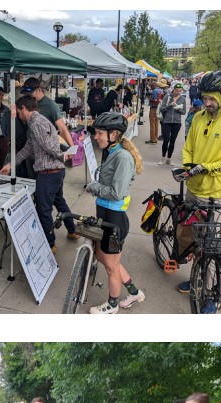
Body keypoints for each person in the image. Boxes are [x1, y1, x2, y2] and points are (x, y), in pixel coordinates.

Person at [81, 111, 147, 314]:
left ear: (114, 134)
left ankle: (111, 305)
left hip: (114, 219)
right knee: (104, 257)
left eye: (100, 133)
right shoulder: (111, 151)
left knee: (110, 266)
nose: (96, 136)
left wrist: (93, 186)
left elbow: (116, 193)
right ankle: (134, 291)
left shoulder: (123, 157)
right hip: (105, 214)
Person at [2, 94, 76, 251]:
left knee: (43, 210)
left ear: (23, 108)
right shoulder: (38, 121)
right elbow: (28, 148)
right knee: (59, 201)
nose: (18, 115)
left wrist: (62, 155)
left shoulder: (35, 123)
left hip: (48, 174)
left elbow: (48, 146)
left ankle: (50, 244)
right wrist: (10, 165)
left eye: (18, 111)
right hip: (55, 173)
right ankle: (72, 230)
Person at [176, 71, 221, 205]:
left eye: (212, 99)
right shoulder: (199, 117)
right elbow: (188, 147)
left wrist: (207, 167)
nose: (207, 103)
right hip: (192, 190)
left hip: (217, 195)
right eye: (205, 98)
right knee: (184, 226)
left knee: (211, 227)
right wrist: (186, 168)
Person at [158, 84, 189, 166]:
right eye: (177, 91)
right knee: (166, 140)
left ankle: (169, 159)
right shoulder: (167, 97)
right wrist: (170, 105)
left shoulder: (182, 99)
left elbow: (184, 112)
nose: (178, 93)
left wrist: (178, 108)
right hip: (166, 121)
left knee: (172, 141)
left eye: (180, 91)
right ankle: (163, 157)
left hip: (177, 122)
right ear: (173, 89)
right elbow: (162, 109)